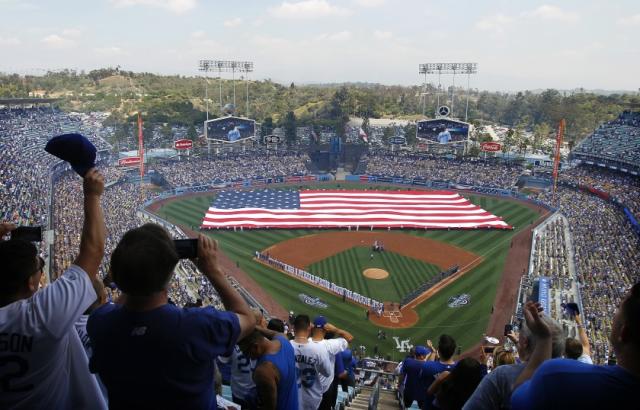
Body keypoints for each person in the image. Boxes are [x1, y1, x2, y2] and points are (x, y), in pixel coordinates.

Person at [88, 228, 255, 410]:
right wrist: (213, 270)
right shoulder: (195, 326)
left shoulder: (99, 322)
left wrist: (128, 272)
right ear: (168, 275)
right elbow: (247, 318)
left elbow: (124, 304)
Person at [0, 168, 107, 410]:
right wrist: (92, 195)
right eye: (40, 265)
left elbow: (92, 252)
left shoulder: (41, 312)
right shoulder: (42, 315)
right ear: (31, 282)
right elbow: (93, 252)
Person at [511, 286, 640, 409]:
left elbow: (516, 398)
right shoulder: (583, 363)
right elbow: (586, 345)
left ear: (625, 333)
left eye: (618, 311)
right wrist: (578, 322)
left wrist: (544, 339)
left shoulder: (556, 373)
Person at [463, 313, 564, 410]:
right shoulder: (567, 385)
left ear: (525, 342)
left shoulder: (502, 375)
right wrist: (517, 342)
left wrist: (484, 365)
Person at [239, 328, 298, 410]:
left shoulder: (263, 371)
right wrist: (255, 327)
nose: (247, 356)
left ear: (255, 346)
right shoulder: (284, 340)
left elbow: (268, 408)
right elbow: (274, 333)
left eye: (246, 352)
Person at [218, 309, 266, 409]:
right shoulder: (264, 343)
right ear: (260, 322)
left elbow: (222, 361)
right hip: (255, 393)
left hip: (237, 391)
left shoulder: (235, 339)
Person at [311, 316, 353, 410]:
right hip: (325, 391)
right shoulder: (331, 346)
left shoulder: (305, 342)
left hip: (307, 388)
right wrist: (336, 330)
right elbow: (349, 337)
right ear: (326, 328)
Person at [290, 314, 332, 410]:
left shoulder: (285, 346)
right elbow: (327, 372)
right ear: (309, 328)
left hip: (290, 397)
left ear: (294, 328)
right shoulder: (319, 349)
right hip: (311, 399)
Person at [420, 335, 457, 410]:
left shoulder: (427, 366)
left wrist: (433, 351)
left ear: (439, 351)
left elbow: (430, 365)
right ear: (453, 351)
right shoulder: (460, 368)